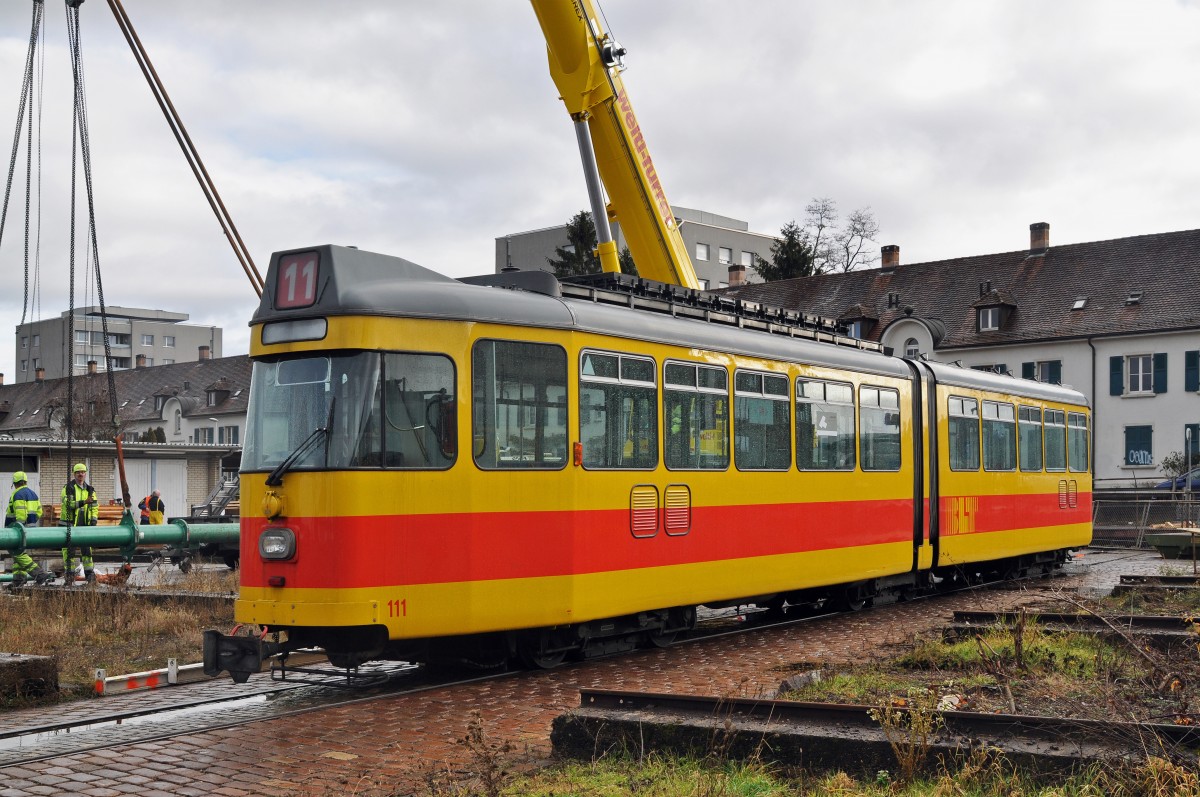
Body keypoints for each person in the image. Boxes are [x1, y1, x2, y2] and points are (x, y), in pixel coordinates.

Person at [5, 471, 53, 586]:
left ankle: (39, 574)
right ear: (25, 481)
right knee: (19, 554)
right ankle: (18, 580)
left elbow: (20, 515)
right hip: (30, 530)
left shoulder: (17, 494)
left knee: (18, 554)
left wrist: (18, 529)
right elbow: (39, 512)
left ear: (15, 483)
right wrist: (31, 523)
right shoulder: (33, 494)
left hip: (18, 531)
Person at [61, 463, 99, 584]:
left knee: (87, 551)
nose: (80, 474)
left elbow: (94, 506)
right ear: (74, 474)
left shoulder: (90, 489)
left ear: (85, 473)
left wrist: (93, 520)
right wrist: (84, 502)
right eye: (78, 472)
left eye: (83, 472)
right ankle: (69, 577)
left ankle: (90, 576)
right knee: (69, 552)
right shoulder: (68, 488)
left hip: (84, 525)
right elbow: (69, 504)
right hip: (70, 524)